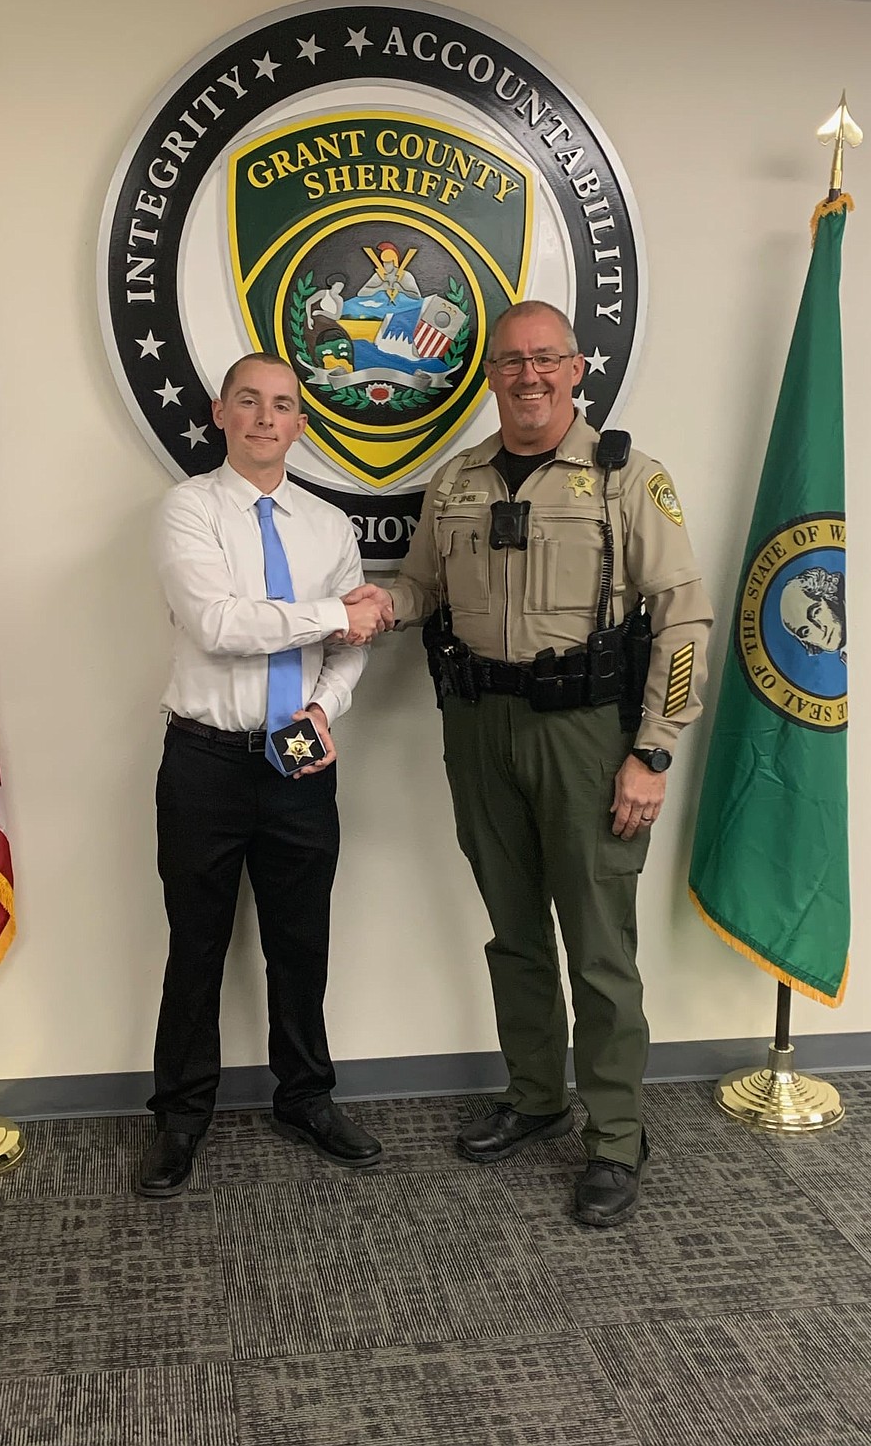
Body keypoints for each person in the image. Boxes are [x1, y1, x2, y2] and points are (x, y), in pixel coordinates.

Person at [344, 301, 712, 1226]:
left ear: (577, 367)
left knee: (597, 944)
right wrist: (378, 603)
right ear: (491, 375)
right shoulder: (456, 480)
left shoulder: (627, 480)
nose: (529, 376)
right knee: (513, 930)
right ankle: (538, 1096)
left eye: (546, 359)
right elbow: (426, 584)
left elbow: (684, 621)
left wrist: (653, 752)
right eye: (511, 362)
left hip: (587, 735)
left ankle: (618, 1134)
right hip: (478, 727)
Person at [138, 352, 388, 1197]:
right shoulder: (187, 509)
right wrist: (333, 615)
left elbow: (353, 649)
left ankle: (305, 1097)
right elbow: (219, 625)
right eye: (248, 402)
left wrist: (326, 708)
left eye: (282, 406)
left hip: (298, 759)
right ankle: (179, 1115)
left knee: (299, 940)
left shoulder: (327, 524)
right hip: (206, 761)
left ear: (301, 424)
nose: (264, 418)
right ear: (220, 413)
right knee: (197, 943)